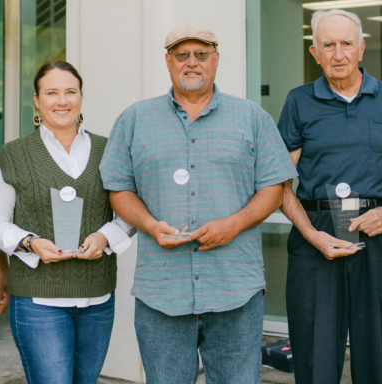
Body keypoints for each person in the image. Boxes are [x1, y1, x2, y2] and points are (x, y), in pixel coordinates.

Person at [99, 24, 297, 384]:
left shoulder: (252, 118)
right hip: (161, 290)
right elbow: (119, 189)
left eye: (201, 54)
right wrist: (149, 224)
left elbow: (274, 187)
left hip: (235, 288)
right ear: (168, 62)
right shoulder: (134, 120)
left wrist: (234, 224)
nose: (192, 63)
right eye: (182, 55)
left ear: (216, 60)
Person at [277, 9, 382, 384]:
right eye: (328, 45)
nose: (338, 54)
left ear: (362, 48)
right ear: (314, 52)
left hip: (379, 232)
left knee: (376, 348)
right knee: (314, 353)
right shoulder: (298, 102)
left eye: (347, 44)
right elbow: (280, 183)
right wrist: (311, 234)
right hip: (316, 230)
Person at [0, 61, 133, 384]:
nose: (62, 101)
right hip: (38, 302)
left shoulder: (110, 150)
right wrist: (30, 242)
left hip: (98, 298)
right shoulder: (12, 156)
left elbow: (128, 213)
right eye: (51, 92)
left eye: (70, 92)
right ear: (37, 100)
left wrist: (106, 236)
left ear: (81, 97)